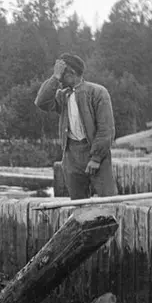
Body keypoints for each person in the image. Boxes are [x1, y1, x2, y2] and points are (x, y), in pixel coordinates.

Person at [35, 53, 118, 199]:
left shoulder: (98, 92)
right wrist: (54, 78)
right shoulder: (63, 96)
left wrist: (96, 158)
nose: (59, 78)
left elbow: (106, 130)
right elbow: (42, 101)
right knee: (78, 204)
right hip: (71, 156)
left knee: (108, 200)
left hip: (94, 153)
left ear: (71, 73)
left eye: (61, 73)